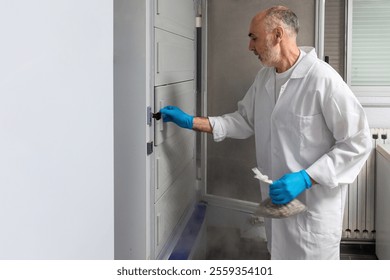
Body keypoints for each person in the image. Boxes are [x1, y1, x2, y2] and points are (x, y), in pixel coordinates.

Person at [160, 6, 372, 259]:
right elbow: (243, 121)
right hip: (278, 211)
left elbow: (358, 142)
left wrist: (306, 177)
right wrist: (192, 122)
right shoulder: (264, 79)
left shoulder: (322, 80)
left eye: (254, 37)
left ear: (277, 35)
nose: (250, 47)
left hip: (312, 215)